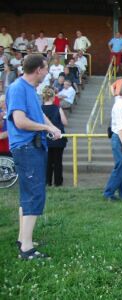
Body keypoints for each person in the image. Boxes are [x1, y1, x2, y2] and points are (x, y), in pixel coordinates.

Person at [6, 54, 62, 259]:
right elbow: (20, 121)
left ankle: (23, 238)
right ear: (38, 69)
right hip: (27, 147)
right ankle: (27, 249)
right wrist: (46, 126)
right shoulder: (18, 88)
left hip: (33, 146)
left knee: (28, 194)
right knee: (34, 195)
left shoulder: (29, 89)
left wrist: (51, 125)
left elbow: (38, 113)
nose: (47, 72)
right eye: (46, 68)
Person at [41, 86, 68, 186]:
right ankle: (58, 183)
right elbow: (65, 122)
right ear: (53, 97)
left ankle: (47, 182)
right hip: (58, 138)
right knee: (58, 161)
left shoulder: (40, 109)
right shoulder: (57, 108)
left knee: (47, 162)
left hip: (45, 138)